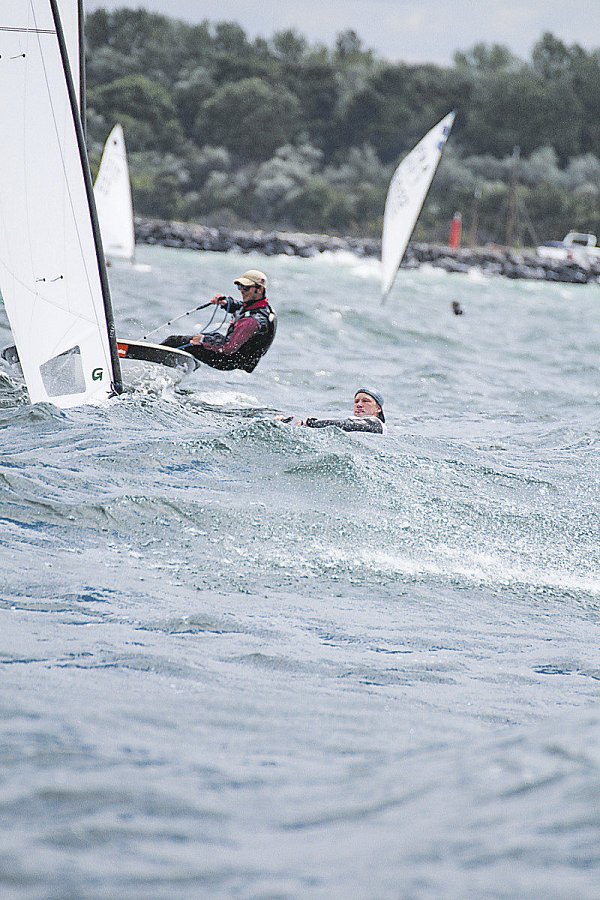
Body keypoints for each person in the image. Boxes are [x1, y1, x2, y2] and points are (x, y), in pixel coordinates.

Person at [162, 269, 276, 372]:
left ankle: (153, 363)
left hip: (227, 359)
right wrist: (227, 302)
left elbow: (228, 348)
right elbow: (242, 307)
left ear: (260, 290)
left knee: (174, 341)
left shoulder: (251, 321)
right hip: (238, 357)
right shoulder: (263, 308)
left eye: (246, 288)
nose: (242, 290)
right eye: (240, 287)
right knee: (203, 338)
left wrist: (203, 339)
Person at [278, 388, 386, 434]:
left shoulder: (376, 424)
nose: (359, 405)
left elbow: (345, 425)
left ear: (378, 408)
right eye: (356, 401)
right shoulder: (355, 423)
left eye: (366, 401)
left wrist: (310, 423)